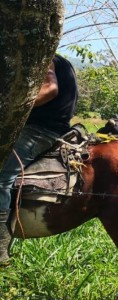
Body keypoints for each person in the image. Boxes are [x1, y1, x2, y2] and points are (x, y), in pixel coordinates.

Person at [0, 54, 78, 266]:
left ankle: (0, 247)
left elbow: (50, 89)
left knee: (2, 178)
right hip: (45, 127)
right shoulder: (56, 58)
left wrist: (11, 110)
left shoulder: (45, 56)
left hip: (41, 130)